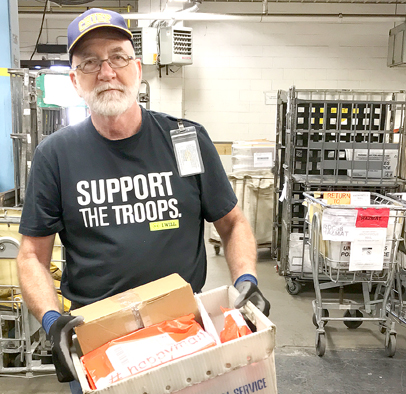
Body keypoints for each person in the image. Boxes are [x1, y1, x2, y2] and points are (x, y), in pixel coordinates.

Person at [15, 8, 271, 393]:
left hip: (186, 331)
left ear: (136, 67)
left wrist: (246, 280)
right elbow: (32, 254)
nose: (106, 72)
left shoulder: (185, 140)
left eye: (117, 57)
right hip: (98, 340)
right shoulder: (56, 156)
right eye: (89, 63)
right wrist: (52, 322)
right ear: (74, 79)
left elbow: (232, 222)